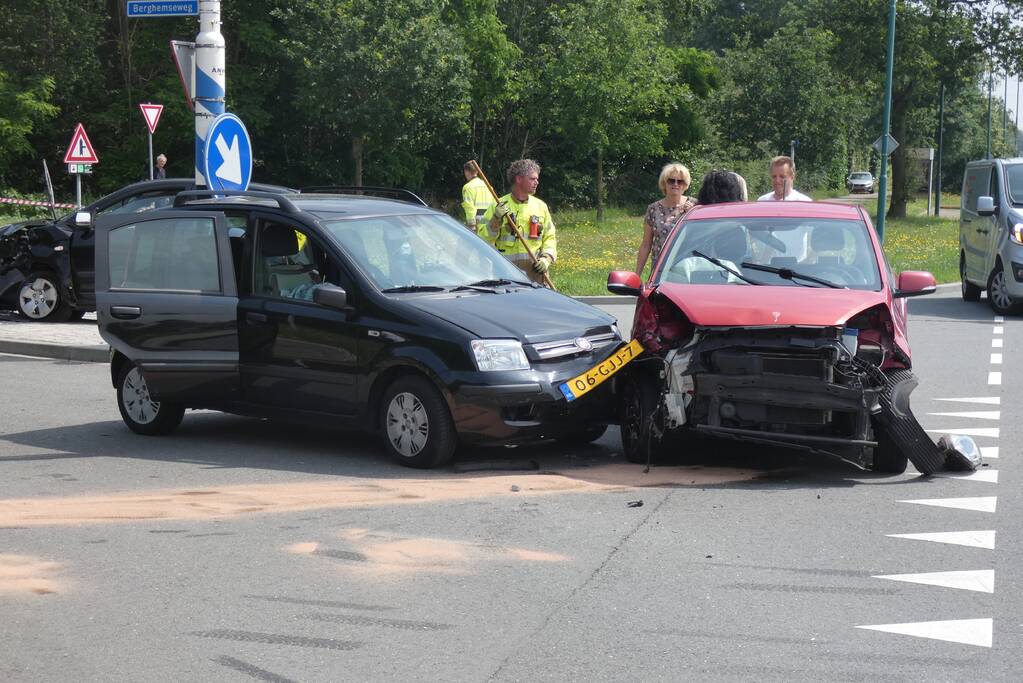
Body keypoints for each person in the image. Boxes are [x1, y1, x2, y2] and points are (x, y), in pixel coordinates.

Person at [480, 159, 557, 285]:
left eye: (537, 179)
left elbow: (550, 237)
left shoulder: (540, 206)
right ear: (519, 179)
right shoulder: (497, 205)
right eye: (532, 179)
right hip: (506, 273)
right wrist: (496, 218)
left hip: (536, 274)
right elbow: (483, 239)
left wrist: (546, 259)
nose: (537, 182)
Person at [636, 163, 695, 276]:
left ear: (685, 184)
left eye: (680, 181)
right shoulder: (653, 209)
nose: (676, 184)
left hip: (688, 268)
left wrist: (693, 213)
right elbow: (646, 244)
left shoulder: (695, 206)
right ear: (664, 183)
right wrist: (636, 275)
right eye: (671, 181)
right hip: (660, 269)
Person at [461, 161, 494, 230]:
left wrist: (471, 226)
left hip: (477, 222)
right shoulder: (488, 186)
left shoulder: (468, 187)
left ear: (466, 172)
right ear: (477, 172)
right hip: (489, 220)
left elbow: (469, 207)